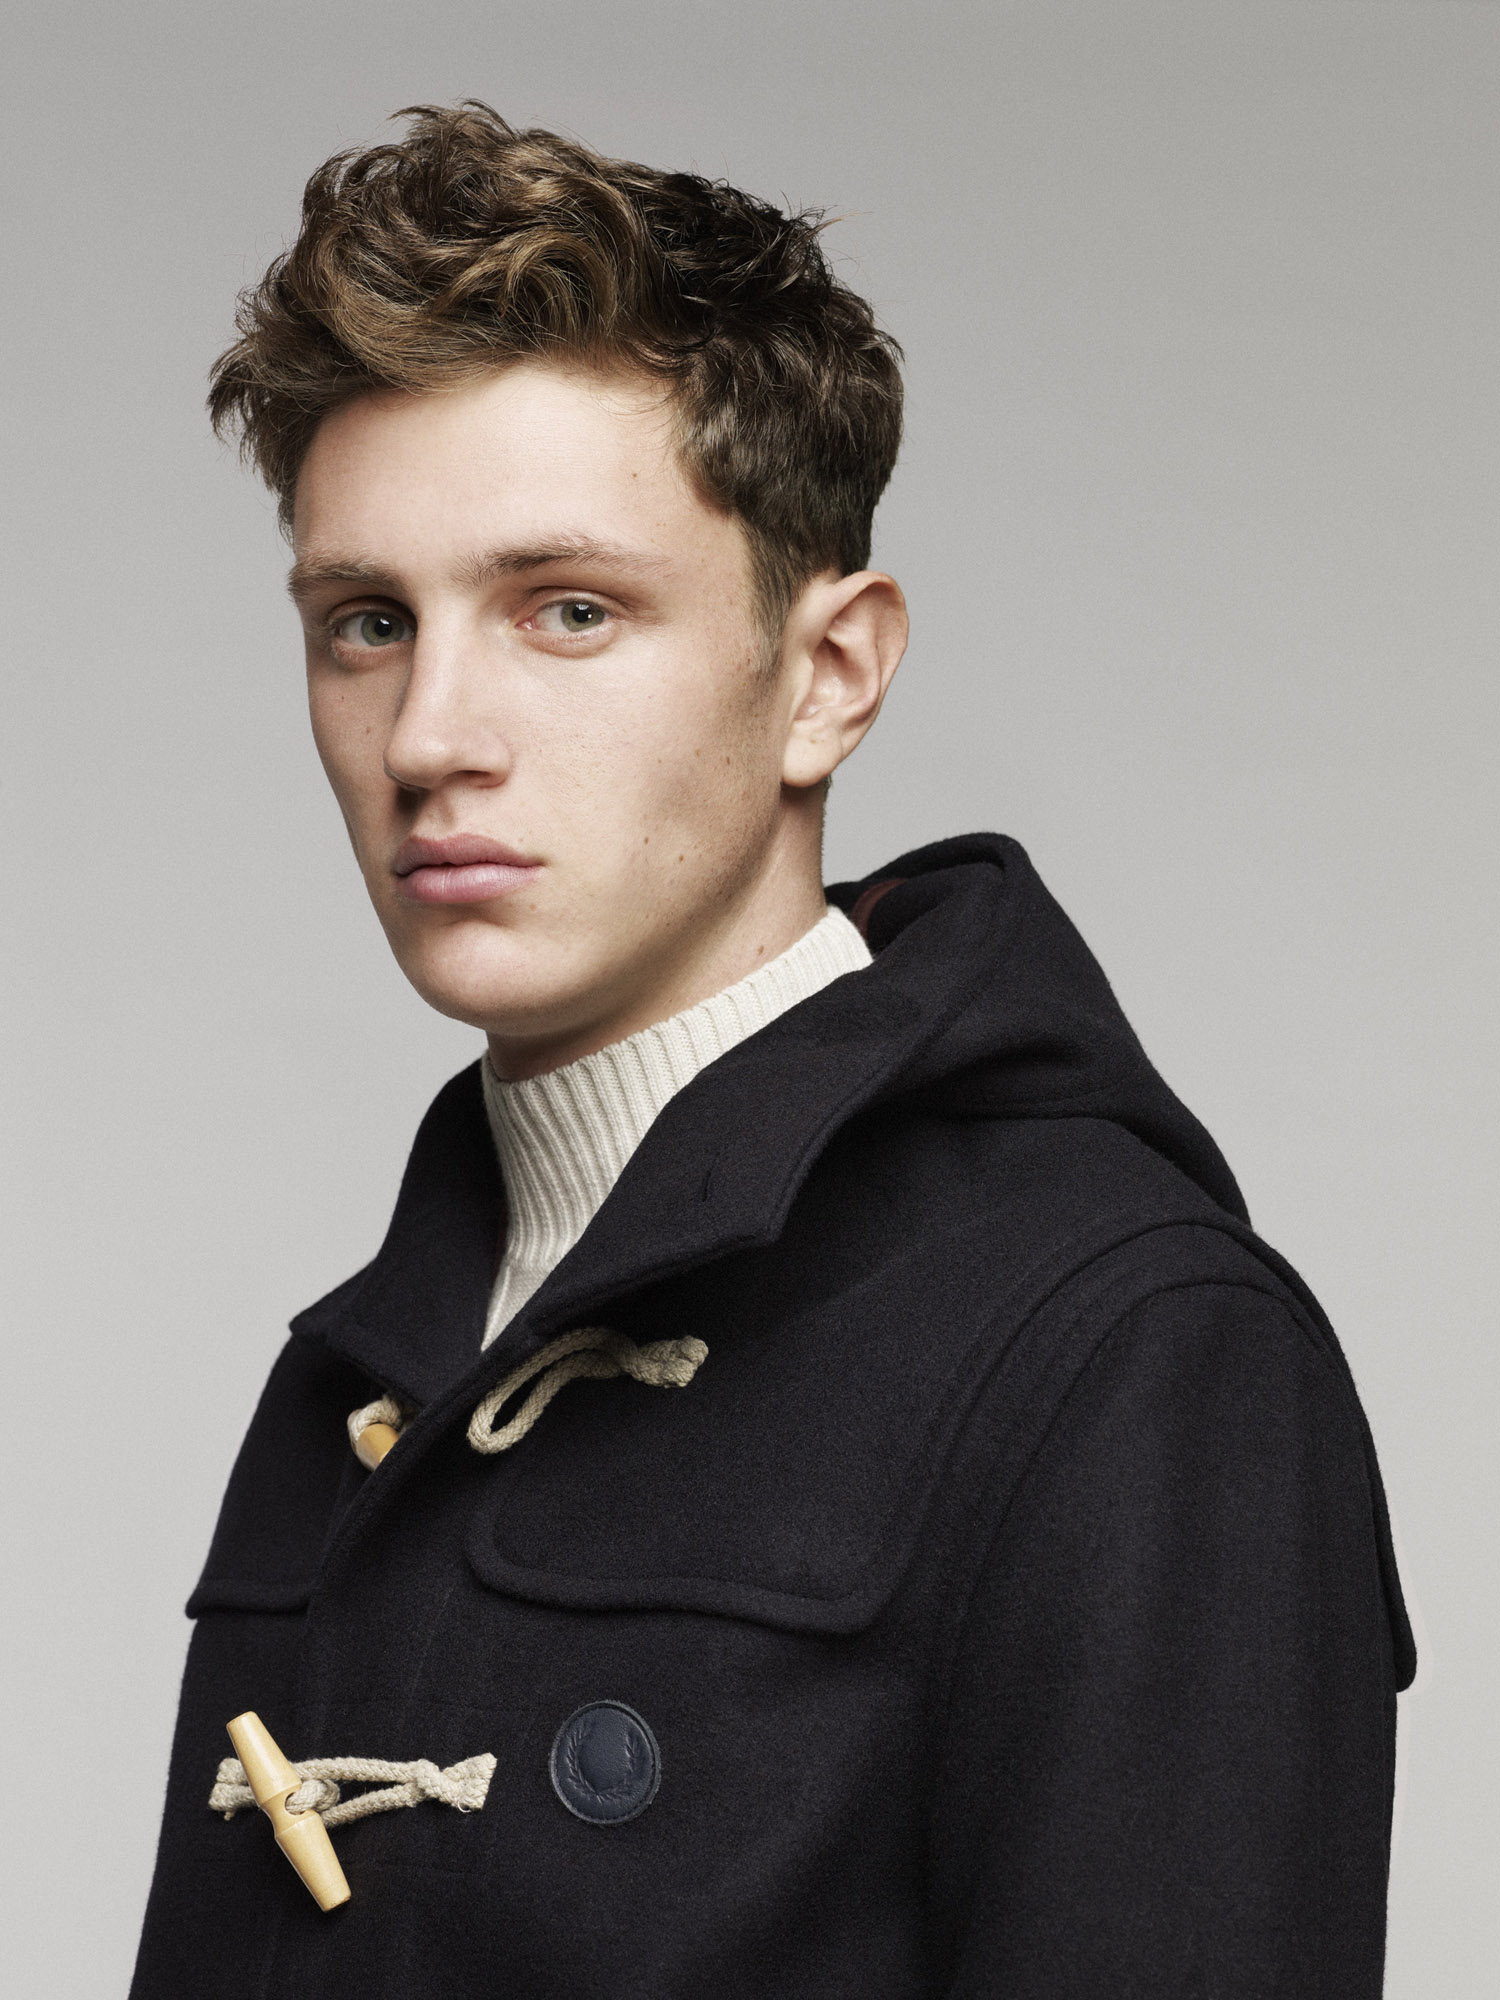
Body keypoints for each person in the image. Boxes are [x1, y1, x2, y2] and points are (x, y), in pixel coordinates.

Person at [129, 102, 1413, 1998]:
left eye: (570, 611)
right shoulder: (368, 1371)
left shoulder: (1134, 1350)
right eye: (367, 622)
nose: (427, 736)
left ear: (830, 675)